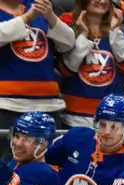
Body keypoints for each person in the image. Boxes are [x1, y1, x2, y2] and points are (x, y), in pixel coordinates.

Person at [58, 0, 124, 127]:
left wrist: (114, 31)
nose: (102, 1)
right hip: (76, 116)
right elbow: (66, 69)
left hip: (113, 116)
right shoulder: (68, 27)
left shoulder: (123, 31)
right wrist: (83, 36)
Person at [0, 0, 75, 130]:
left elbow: (68, 43)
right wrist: (26, 18)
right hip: (6, 105)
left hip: (48, 105)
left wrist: (51, 17)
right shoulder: (31, 12)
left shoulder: (38, 6)